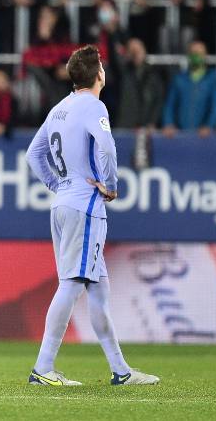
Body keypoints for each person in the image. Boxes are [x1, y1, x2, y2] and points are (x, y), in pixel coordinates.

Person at [25, 45, 158, 386]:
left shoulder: (60, 108)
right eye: (101, 64)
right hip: (85, 205)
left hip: (64, 203)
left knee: (98, 289)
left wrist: (57, 183)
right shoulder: (93, 105)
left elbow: (33, 153)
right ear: (98, 73)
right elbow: (108, 147)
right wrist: (110, 185)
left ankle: (121, 370)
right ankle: (42, 367)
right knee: (72, 284)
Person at [161, 40, 216, 138]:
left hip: (205, 137)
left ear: (205, 55)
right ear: (188, 55)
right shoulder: (179, 78)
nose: (196, 56)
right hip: (180, 135)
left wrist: (209, 126)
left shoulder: (214, 78)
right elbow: (169, 104)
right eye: (193, 53)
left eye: (199, 53)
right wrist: (168, 124)